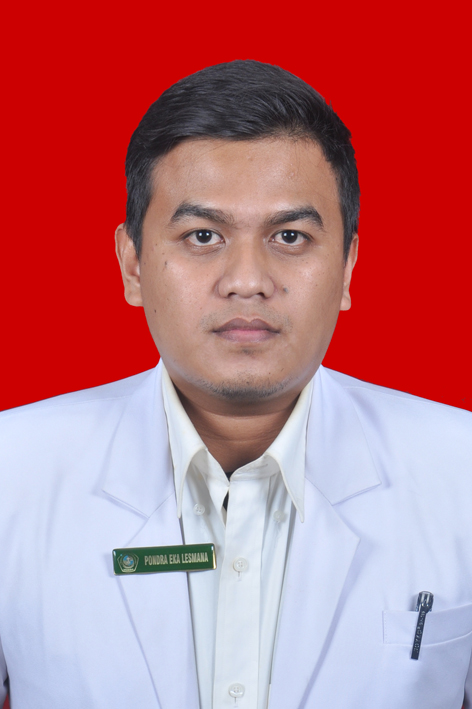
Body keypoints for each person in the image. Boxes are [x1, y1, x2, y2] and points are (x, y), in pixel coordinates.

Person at [0, 60, 471, 709]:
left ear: (347, 267)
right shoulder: (13, 471)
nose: (247, 280)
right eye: (203, 236)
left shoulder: (461, 472)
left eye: (289, 236)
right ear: (132, 264)